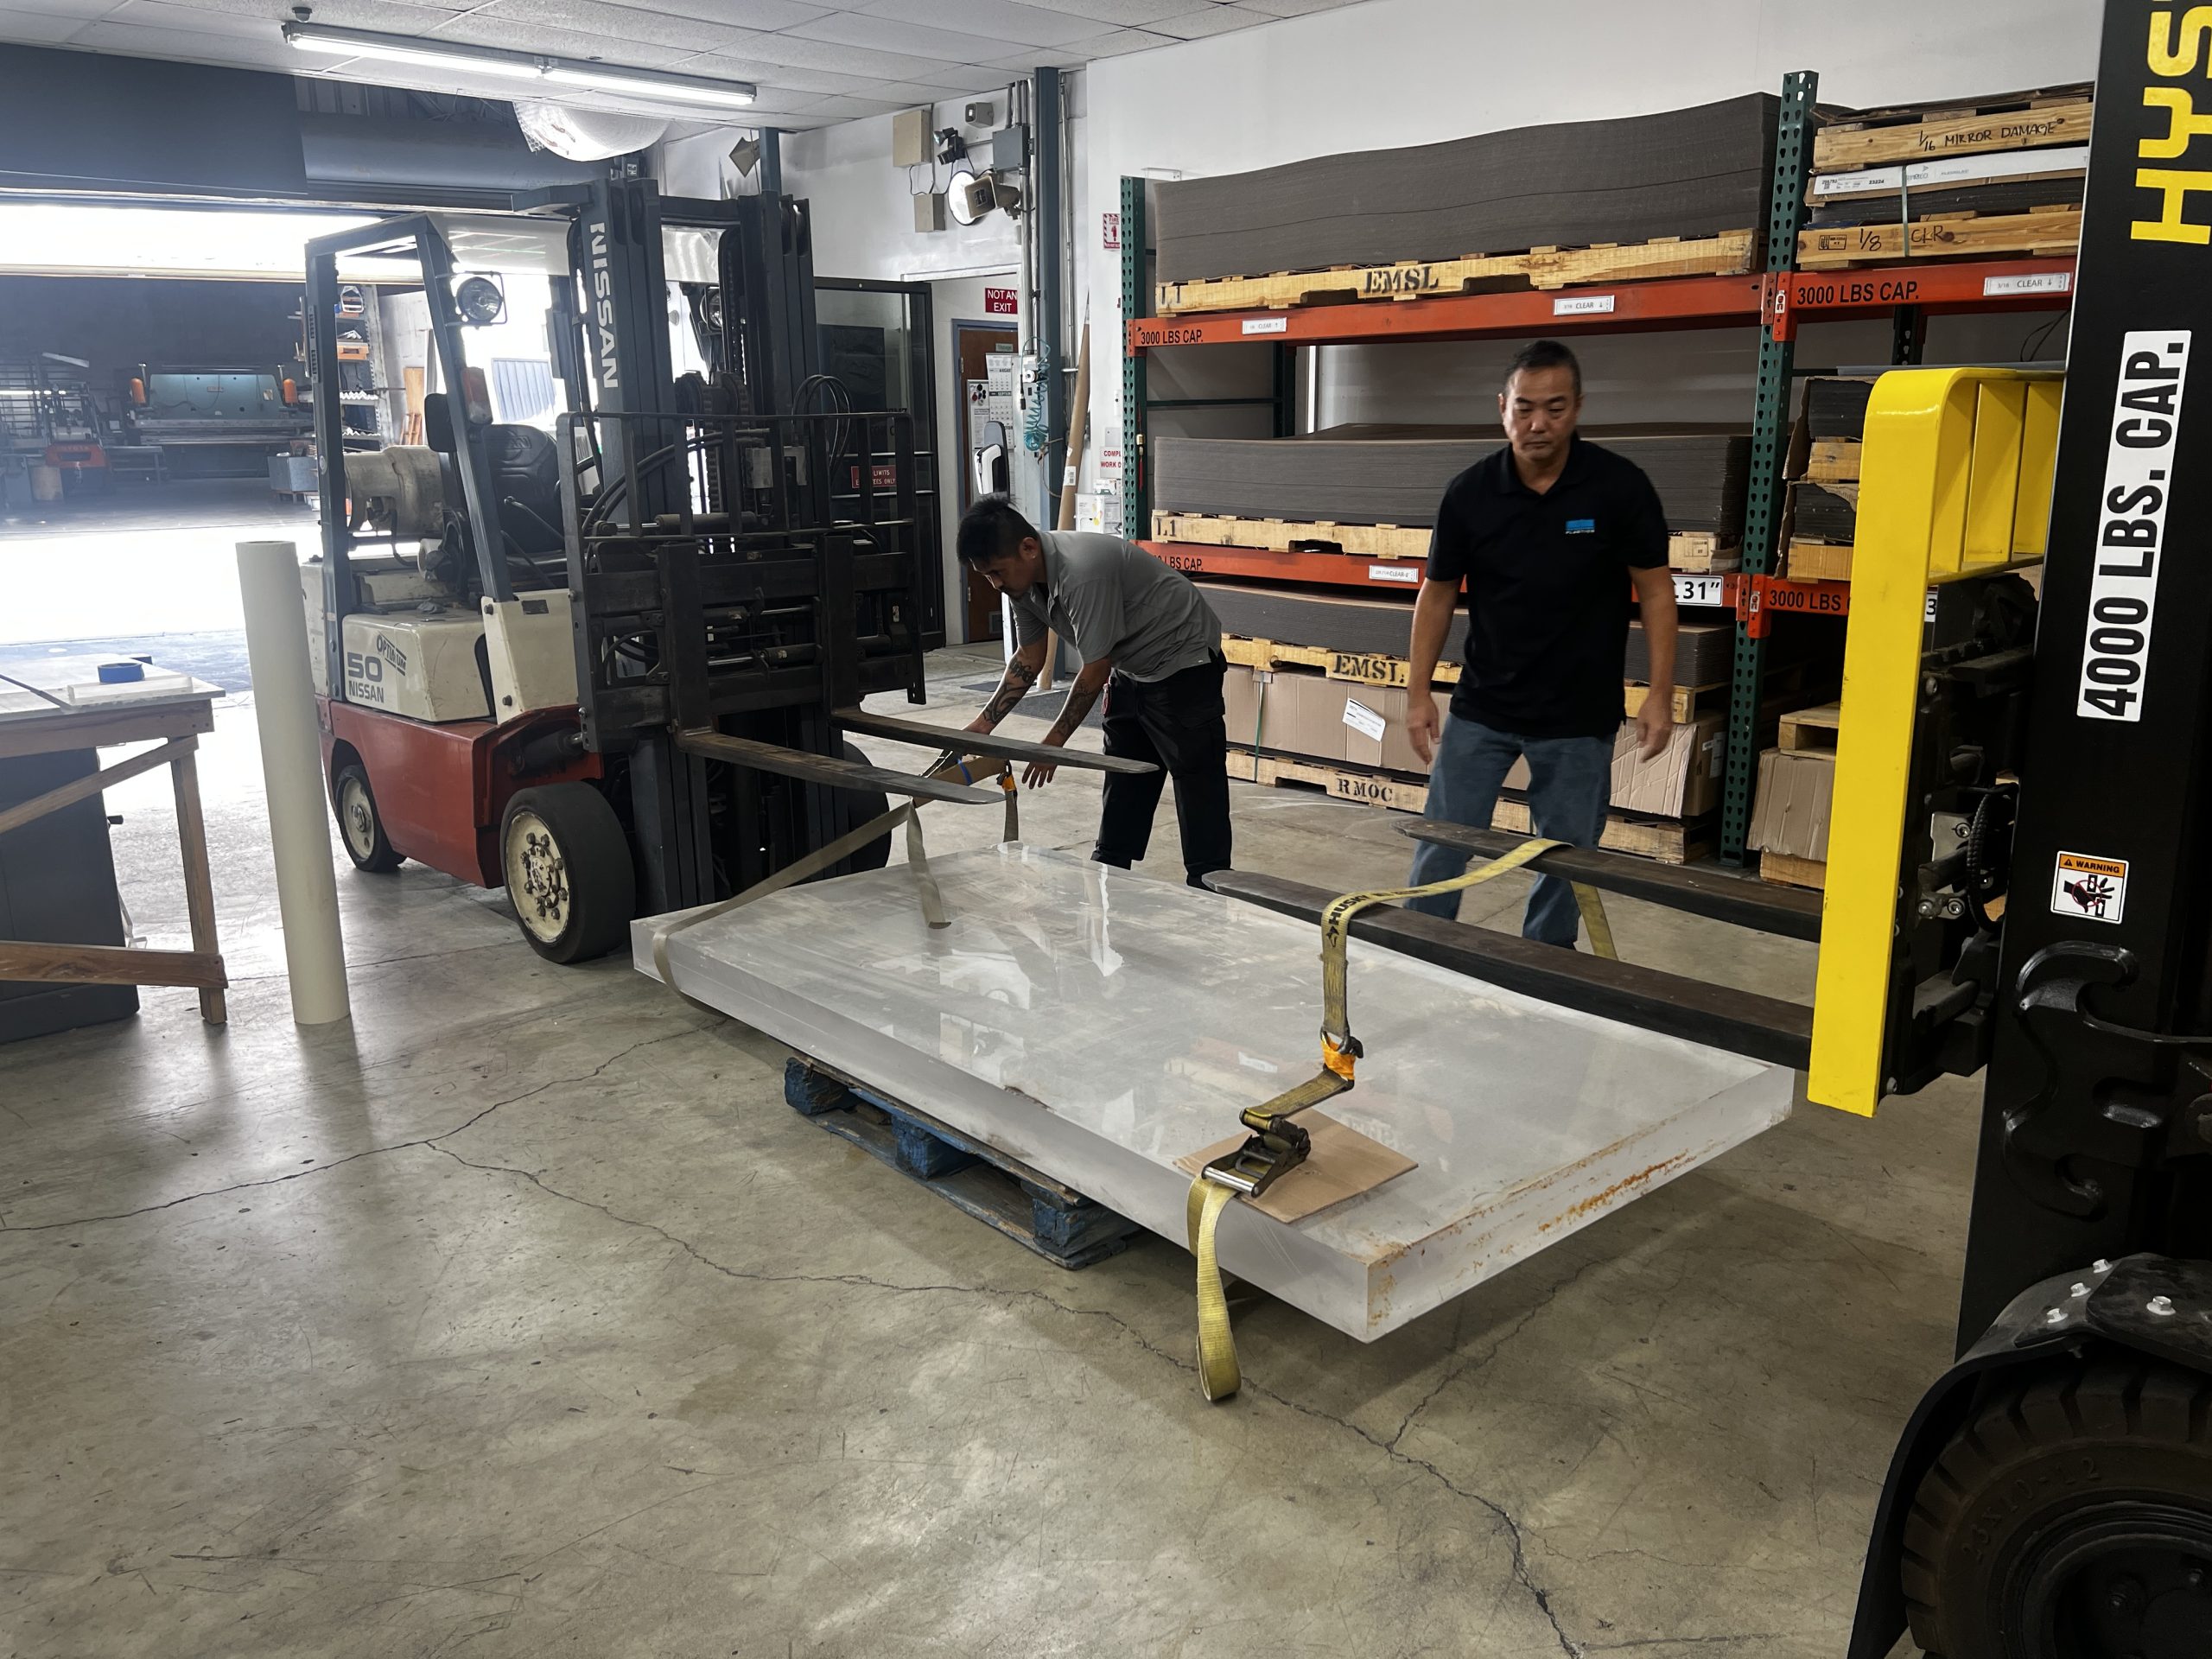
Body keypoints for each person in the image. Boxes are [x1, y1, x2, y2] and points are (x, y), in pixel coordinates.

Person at [1402, 339, 1678, 944]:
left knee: (1566, 861)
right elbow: (1437, 593)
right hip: (1484, 707)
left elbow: (1657, 592)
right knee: (1443, 841)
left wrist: (1660, 693)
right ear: (1502, 407)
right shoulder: (1470, 493)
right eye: (1524, 408)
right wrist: (1418, 692)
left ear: (1577, 408)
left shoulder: (1618, 488)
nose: (1537, 424)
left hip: (1578, 717)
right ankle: (1418, 951)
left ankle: (1545, 966)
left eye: (1554, 408)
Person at [957, 497, 1233, 888]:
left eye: (998, 572)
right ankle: (1110, 869)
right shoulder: (1023, 586)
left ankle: (1209, 882)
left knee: (1196, 780)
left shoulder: (1082, 572)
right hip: (1131, 666)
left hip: (1184, 662)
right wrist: (982, 726)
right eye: (986, 576)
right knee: (1123, 771)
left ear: (1028, 548)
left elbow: (1095, 669)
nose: (996, 584)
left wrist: (1052, 744)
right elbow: (1031, 657)